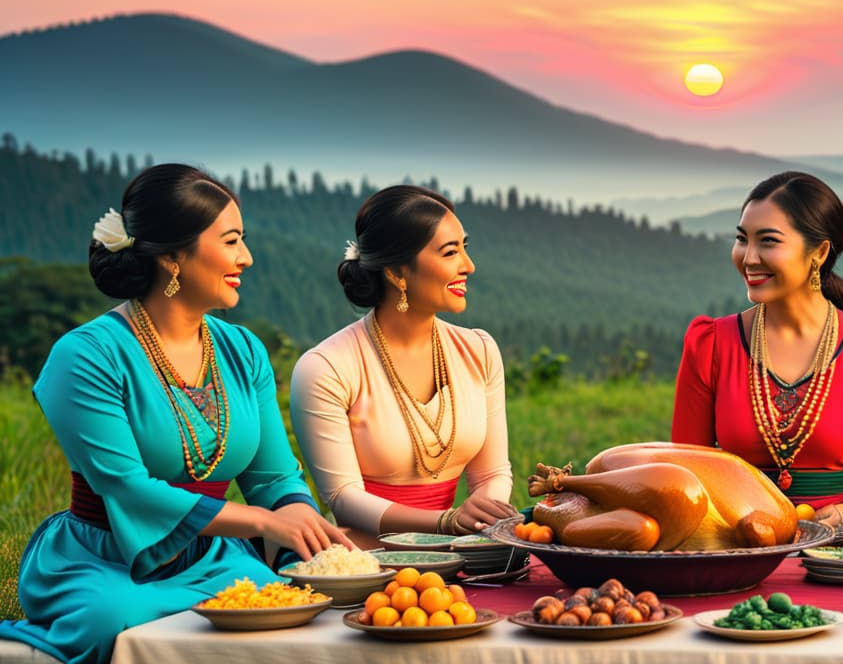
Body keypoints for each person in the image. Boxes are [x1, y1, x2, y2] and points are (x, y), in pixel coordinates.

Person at [0, 165, 350, 664]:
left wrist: (295, 513)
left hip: (215, 558)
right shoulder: (85, 356)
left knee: (288, 604)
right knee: (111, 619)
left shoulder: (243, 349)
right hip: (108, 559)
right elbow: (125, 486)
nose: (246, 258)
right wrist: (261, 524)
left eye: (243, 240)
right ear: (170, 255)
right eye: (231, 241)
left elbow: (273, 476)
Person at [671, 171, 843, 529]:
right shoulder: (710, 346)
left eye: (768, 242)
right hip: (733, 546)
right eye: (742, 239)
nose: (749, 257)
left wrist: (842, 515)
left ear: (818, 252)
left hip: (830, 551)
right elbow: (687, 468)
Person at [290, 185, 516, 549]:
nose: (468, 266)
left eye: (465, 248)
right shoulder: (327, 368)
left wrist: (483, 516)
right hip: (368, 558)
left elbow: (492, 472)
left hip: (461, 554)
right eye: (450, 252)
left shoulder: (479, 350)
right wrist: (445, 522)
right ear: (397, 272)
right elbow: (344, 498)